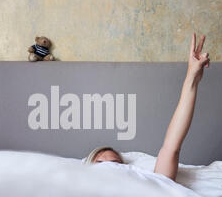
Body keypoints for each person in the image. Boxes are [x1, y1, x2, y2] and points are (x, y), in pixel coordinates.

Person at [85, 33, 210, 181]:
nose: (108, 167)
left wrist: (192, 78)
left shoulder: (146, 187)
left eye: (115, 163)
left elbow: (171, 148)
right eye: (99, 164)